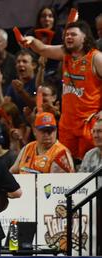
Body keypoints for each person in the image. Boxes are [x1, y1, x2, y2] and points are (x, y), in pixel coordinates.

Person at [22, 20, 102, 160]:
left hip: (88, 124)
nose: (68, 37)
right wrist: (32, 40)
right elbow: (42, 49)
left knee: (89, 167)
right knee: (68, 168)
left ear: (84, 38)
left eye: (73, 34)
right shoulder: (65, 53)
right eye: (66, 35)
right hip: (67, 125)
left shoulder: (96, 58)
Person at [10, 112, 74, 174]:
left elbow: (59, 182)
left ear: (56, 131)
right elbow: (13, 171)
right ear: (35, 131)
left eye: (50, 131)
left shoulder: (61, 153)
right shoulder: (27, 148)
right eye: (43, 131)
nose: (46, 135)